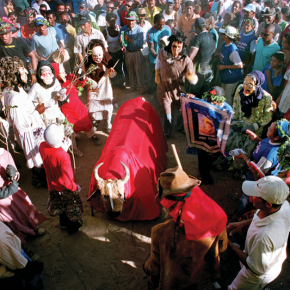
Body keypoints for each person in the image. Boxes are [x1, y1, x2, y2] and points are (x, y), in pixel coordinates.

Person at [144, 166, 228, 289]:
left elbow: (154, 268)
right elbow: (222, 247)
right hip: (195, 276)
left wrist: (146, 267)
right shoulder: (217, 217)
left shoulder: (160, 232)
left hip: (170, 282)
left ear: (165, 199)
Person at [227, 176, 290, 290]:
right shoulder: (283, 205)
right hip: (264, 258)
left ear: (268, 204)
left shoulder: (264, 237)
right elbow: (261, 218)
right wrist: (243, 223)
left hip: (256, 274)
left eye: (255, 195)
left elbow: (255, 268)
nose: (251, 198)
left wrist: (228, 244)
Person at [2, 56, 46, 187]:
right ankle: (38, 180)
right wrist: (37, 111)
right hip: (29, 135)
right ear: (14, 75)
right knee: (35, 158)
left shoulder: (10, 90)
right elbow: (21, 125)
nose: (27, 72)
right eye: (23, 71)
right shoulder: (14, 98)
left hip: (32, 131)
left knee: (37, 156)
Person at [39, 124, 84, 233]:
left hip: (52, 186)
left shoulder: (42, 146)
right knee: (71, 207)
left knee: (61, 206)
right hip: (65, 189)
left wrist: (61, 147)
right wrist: (75, 187)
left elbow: (53, 152)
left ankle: (63, 223)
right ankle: (73, 227)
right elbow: (66, 180)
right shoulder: (64, 157)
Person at [51, 62, 102, 152]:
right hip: (67, 112)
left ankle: (92, 135)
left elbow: (80, 84)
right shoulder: (54, 86)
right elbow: (53, 101)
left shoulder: (69, 77)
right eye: (60, 70)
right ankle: (75, 138)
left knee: (86, 122)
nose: (63, 71)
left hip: (78, 108)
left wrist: (81, 76)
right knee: (71, 127)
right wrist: (61, 102)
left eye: (62, 69)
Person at [0, 148, 47, 243]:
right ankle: (23, 241)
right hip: (2, 201)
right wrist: (8, 189)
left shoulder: (4, 153)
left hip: (14, 193)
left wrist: (14, 174)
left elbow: (14, 171)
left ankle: (33, 229)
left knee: (24, 210)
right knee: (12, 219)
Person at [156, 32, 196, 137]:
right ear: (170, 45)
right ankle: (167, 133)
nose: (176, 49)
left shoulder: (186, 61)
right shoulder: (163, 53)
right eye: (174, 46)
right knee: (167, 114)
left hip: (179, 90)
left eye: (179, 47)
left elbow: (192, 79)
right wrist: (157, 73)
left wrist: (191, 77)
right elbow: (158, 61)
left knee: (181, 112)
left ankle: (180, 128)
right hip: (164, 90)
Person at [226, 71, 273, 158]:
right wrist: (235, 121)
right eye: (244, 82)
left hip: (253, 131)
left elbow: (268, 116)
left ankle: (240, 169)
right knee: (233, 147)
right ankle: (229, 163)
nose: (246, 87)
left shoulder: (266, 98)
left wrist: (254, 126)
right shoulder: (240, 89)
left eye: (250, 85)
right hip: (240, 126)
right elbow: (236, 106)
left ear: (257, 85)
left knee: (246, 152)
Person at [0, 221, 44, 290]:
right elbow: (21, 266)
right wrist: (34, 267)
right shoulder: (1, 242)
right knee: (30, 277)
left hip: (11, 255)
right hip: (12, 269)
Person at [85, 39, 116, 134]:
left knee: (107, 107)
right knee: (93, 108)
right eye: (94, 55)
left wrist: (111, 73)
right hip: (93, 89)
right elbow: (85, 77)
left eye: (99, 55)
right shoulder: (87, 63)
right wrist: (91, 82)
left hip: (105, 88)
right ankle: (95, 122)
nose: (97, 58)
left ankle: (107, 124)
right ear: (91, 55)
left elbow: (113, 74)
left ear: (103, 53)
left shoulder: (108, 60)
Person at [187, 17, 216, 97]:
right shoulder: (213, 35)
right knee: (204, 95)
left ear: (196, 27)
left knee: (193, 95)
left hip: (199, 72)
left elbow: (191, 55)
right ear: (205, 26)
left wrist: (185, 66)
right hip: (209, 71)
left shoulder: (198, 38)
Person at [119, 11, 145, 93]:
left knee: (138, 70)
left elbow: (140, 43)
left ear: (135, 20)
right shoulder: (123, 29)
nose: (130, 22)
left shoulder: (139, 30)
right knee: (130, 71)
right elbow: (120, 41)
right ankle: (133, 87)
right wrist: (121, 43)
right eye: (129, 20)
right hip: (128, 53)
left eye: (132, 20)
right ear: (126, 20)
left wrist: (129, 39)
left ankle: (140, 87)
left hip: (136, 52)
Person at [218, 25, 243, 106]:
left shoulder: (233, 50)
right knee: (222, 95)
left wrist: (223, 67)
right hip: (225, 76)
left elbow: (240, 65)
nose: (221, 35)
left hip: (232, 78)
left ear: (226, 36)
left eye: (223, 34)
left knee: (227, 97)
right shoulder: (224, 44)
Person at [147, 13, 171, 95]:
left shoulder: (167, 29)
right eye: (159, 25)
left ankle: (163, 93)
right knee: (154, 76)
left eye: (163, 24)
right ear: (154, 22)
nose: (161, 27)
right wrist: (158, 57)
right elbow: (151, 48)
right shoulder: (150, 33)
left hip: (166, 58)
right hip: (154, 59)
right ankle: (151, 92)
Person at [103, 12, 125, 88]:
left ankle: (122, 83)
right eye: (110, 21)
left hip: (119, 52)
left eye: (114, 21)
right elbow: (104, 44)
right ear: (107, 22)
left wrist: (122, 47)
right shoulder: (105, 31)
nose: (112, 23)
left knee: (120, 68)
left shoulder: (120, 29)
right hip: (110, 53)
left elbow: (123, 41)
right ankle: (114, 84)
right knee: (112, 68)